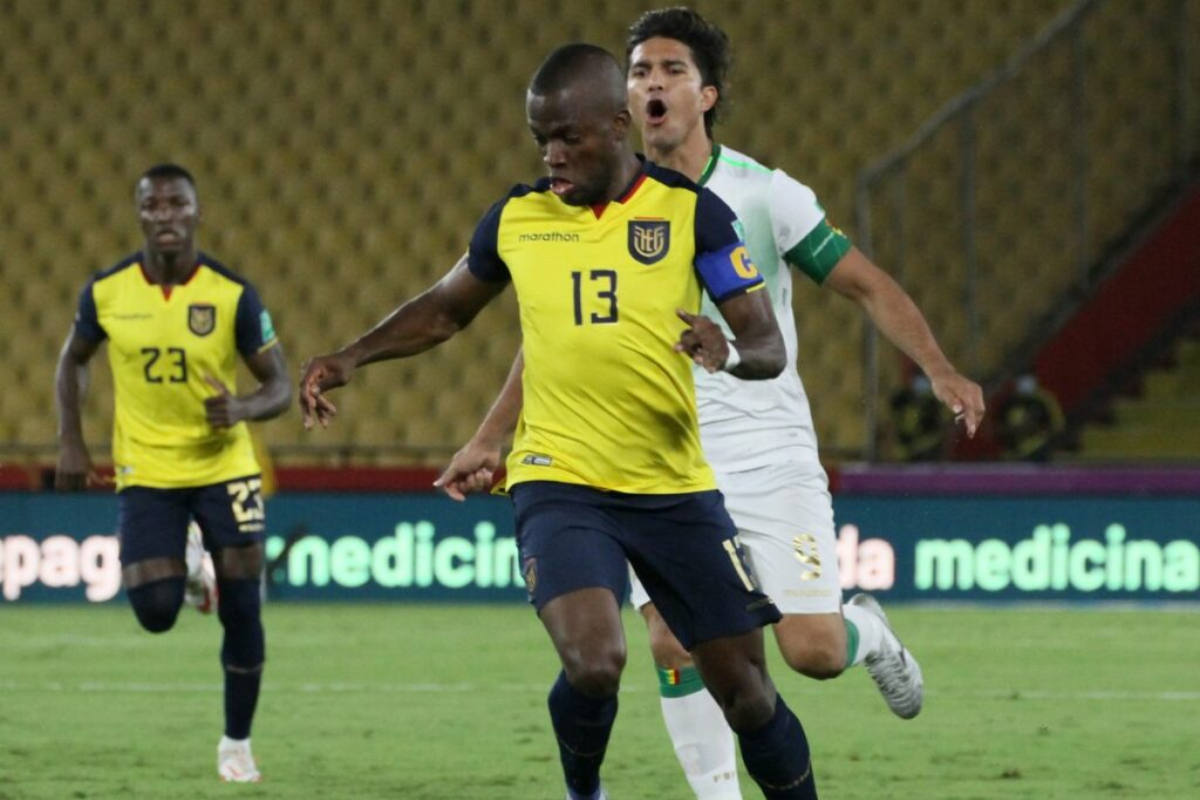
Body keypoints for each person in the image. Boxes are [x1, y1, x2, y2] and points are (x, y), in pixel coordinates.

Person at [436, 9, 987, 800]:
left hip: (765, 450)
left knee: (812, 652)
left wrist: (938, 367)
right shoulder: (581, 205)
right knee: (670, 639)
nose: (653, 84)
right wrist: (493, 433)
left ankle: (867, 631)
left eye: (672, 71)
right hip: (654, 460)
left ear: (707, 94)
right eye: (639, 71)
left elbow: (864, 283)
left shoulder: (764, 195)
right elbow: (554, 342)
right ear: (620, 103)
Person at [300, 43, 819, 800]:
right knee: (595, 661)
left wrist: (729, 351)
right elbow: (444, 310)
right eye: (541, 138)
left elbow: (768, 346)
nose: (552, 155)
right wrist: (352, 356)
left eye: (568, 137)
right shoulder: (517, 217)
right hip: (560, 481)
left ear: (617, 126)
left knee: (748, 696)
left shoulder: (692, 214)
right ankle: (584, 790)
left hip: (672, 487)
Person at [55, 163, 291, 783]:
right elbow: (72, 361)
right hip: (147, 469)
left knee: (243, 605)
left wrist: (242, 408)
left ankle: (236, 744)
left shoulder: (233, 294)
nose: (165, 215)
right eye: (153, 205)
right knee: (155, 612)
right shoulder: (106, 292)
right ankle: (189, 569)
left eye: (177, 204)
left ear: (197, 213)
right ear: (139, 215)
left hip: (224, 467)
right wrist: (70, 441)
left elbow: (280, 385)